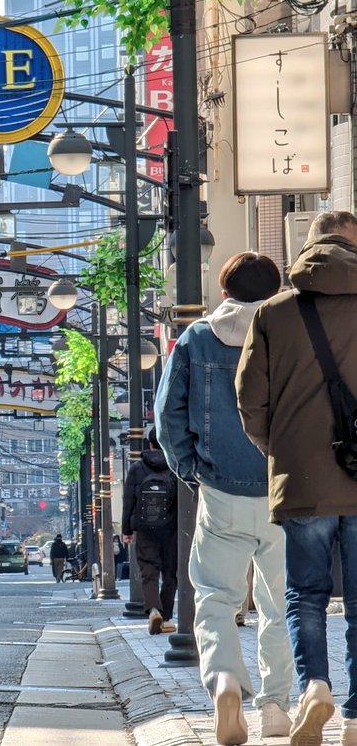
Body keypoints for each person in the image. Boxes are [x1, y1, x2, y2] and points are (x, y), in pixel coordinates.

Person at [156, 251, 291, 745]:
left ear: (225, 290)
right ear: (276, 288)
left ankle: (226, 681)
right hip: (285, 489)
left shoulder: (195, 338)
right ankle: (276, 707)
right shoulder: (291, 333)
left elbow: (167, 416)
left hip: (221, 491)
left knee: (214, 596)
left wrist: (192, 470)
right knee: (281, 603)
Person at [237, 211, 357, 746]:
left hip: (301, 476)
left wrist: (279, 449)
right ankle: (355, 718)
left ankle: (316, 688)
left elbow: (250, 401)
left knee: (305, 594)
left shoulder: (274, 313)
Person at [121, 428, 177, 636]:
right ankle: (167, 617)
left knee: (149, 572)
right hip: (171, 529)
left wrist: (127, 530)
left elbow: (128, 501)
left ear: (150, 444)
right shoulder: (175, 465)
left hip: (145, 528)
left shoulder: (137, 468)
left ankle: (154, 610)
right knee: (171, 574)